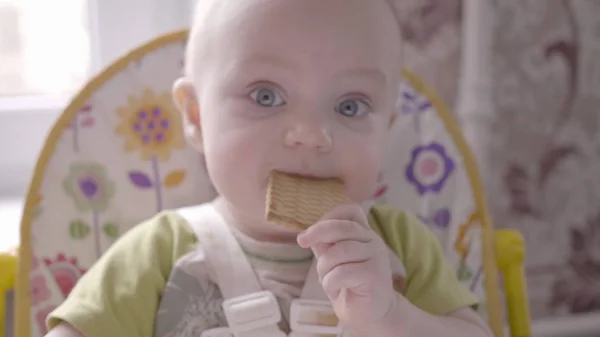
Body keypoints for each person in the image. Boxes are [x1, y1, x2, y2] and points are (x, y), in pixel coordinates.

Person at [45, 0, 493, 336]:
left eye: (351, 106)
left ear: (386, 128)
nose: (312, 134)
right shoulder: (158, 253)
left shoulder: (399, 245)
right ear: (197, 118)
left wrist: (392, 315)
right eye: (266, 96)